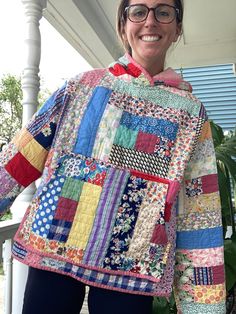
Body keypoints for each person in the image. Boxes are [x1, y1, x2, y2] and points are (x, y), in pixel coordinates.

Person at [0, 0, 226, 313]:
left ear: (177, 29)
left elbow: (199, 207)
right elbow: (21, 156)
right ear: (123, 25)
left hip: (131, 264)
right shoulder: (82, 86)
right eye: (138, 11)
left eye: (163, 12)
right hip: (55, 249)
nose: (150, 22)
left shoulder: (189, 114)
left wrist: (202, 304)